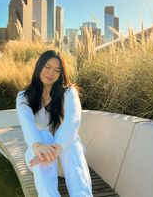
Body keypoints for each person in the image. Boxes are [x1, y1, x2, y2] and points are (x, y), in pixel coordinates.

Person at [16, 50, 93, 197]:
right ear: (39, 67)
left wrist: (57, 147)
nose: (51, 73)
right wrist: (38, 147)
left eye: (57, 70)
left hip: (68, 161)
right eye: (47, 67)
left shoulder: (69, 92)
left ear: (60, 74)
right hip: (39, 157)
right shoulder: (24, 97)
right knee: (43, 135)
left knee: (70, 138)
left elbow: (73, 120)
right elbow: (27, 124)